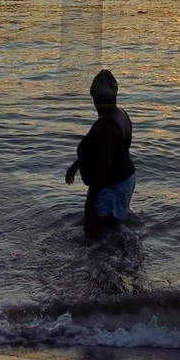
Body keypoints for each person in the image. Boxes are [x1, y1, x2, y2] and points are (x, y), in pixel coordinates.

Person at [64, 69, 136, 240]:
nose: (94, 103)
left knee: (92, 236)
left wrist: (90, 203)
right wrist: (76, 166)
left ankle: (107, 263)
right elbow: (103, 149)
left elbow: (102, 168)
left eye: (96, 99)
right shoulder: (122, 114)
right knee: (113, 230)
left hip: (110, 185)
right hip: (126, 180)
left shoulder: (104, 127)